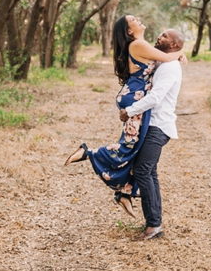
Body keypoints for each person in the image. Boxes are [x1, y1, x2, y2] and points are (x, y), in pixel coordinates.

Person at [64, 15, 185, 219]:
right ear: (130, 31)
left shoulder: (141, 45)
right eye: (134, 20)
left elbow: (165, 58)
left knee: (135, 151)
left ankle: (125, 192)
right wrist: (180, 52)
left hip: (134, 96)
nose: (139, 19)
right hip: (134, 97)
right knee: (128, 148)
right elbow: (167, 57)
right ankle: (89, 153)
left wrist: (176, 54)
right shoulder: (138, 44)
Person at [119, 27, 184, 241]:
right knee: (148, 171)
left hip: (159, 126)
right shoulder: (164, 62)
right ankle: (154, 222)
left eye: (165, 36)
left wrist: (129, 111)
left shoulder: (170, 68)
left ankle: (154, 224)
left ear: (174, 44)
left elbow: (156, 97)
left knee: (142, 170)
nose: (159, 36)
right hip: (152, 124)